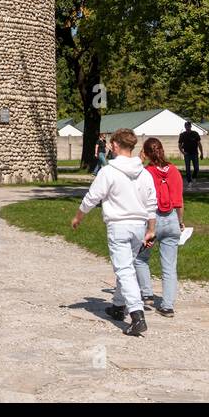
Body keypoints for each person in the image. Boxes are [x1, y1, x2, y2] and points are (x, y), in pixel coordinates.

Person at [70, 128, 157, 336]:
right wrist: (151, 229)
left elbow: (92, 197)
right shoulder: (144, 173)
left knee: (124, 269)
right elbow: (151, 203)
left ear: (116, 146)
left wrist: (78, 217)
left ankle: (136, 315)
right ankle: (118, 306)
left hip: (118, 225)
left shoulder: (109, 172)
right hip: (138, 226)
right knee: (126, 266)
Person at [136, 137, 185, 317]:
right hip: (171, 219)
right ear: (162, 150)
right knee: (169, 266)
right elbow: (179, 202)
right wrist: (179, 222)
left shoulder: (145, 172)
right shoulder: (174, 171)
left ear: (146, 153)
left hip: (152, 222)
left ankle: (147, 293)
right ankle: (167, 306)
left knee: (141, 258)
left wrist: (139, 161)